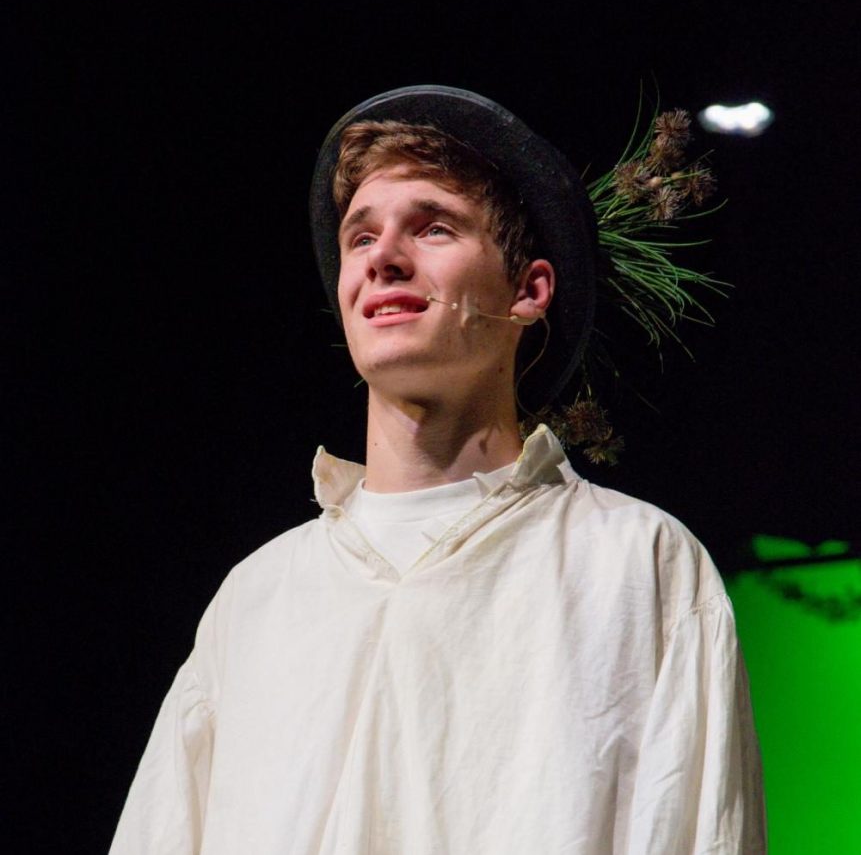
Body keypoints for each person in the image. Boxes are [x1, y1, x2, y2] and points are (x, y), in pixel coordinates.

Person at [110, 86, 766, 854]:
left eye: (432, 227)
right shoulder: (257, 598)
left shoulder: (635, 566)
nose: (382, 257)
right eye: (360, 239)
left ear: (527, 292)